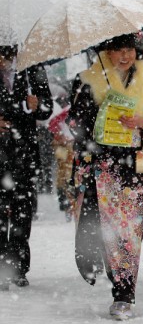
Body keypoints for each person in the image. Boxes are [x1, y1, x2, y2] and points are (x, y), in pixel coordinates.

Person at [68, 33, 143, 320]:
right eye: (117, 50)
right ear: (106, 52)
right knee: (106, 232)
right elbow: (75, 124)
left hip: (136, 169)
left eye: (130, 49)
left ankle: (124, 294)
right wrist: (101, 121)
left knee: (129, 233)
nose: (125, 56)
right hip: (102, 166)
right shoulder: (87, 81)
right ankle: (117, 281)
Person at [0, 45, 52, 291]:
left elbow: (46, 109)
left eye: (8, 56)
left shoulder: (33, 68)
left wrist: (36, 105)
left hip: (24, 154)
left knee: (22, 211)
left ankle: (19, 266)